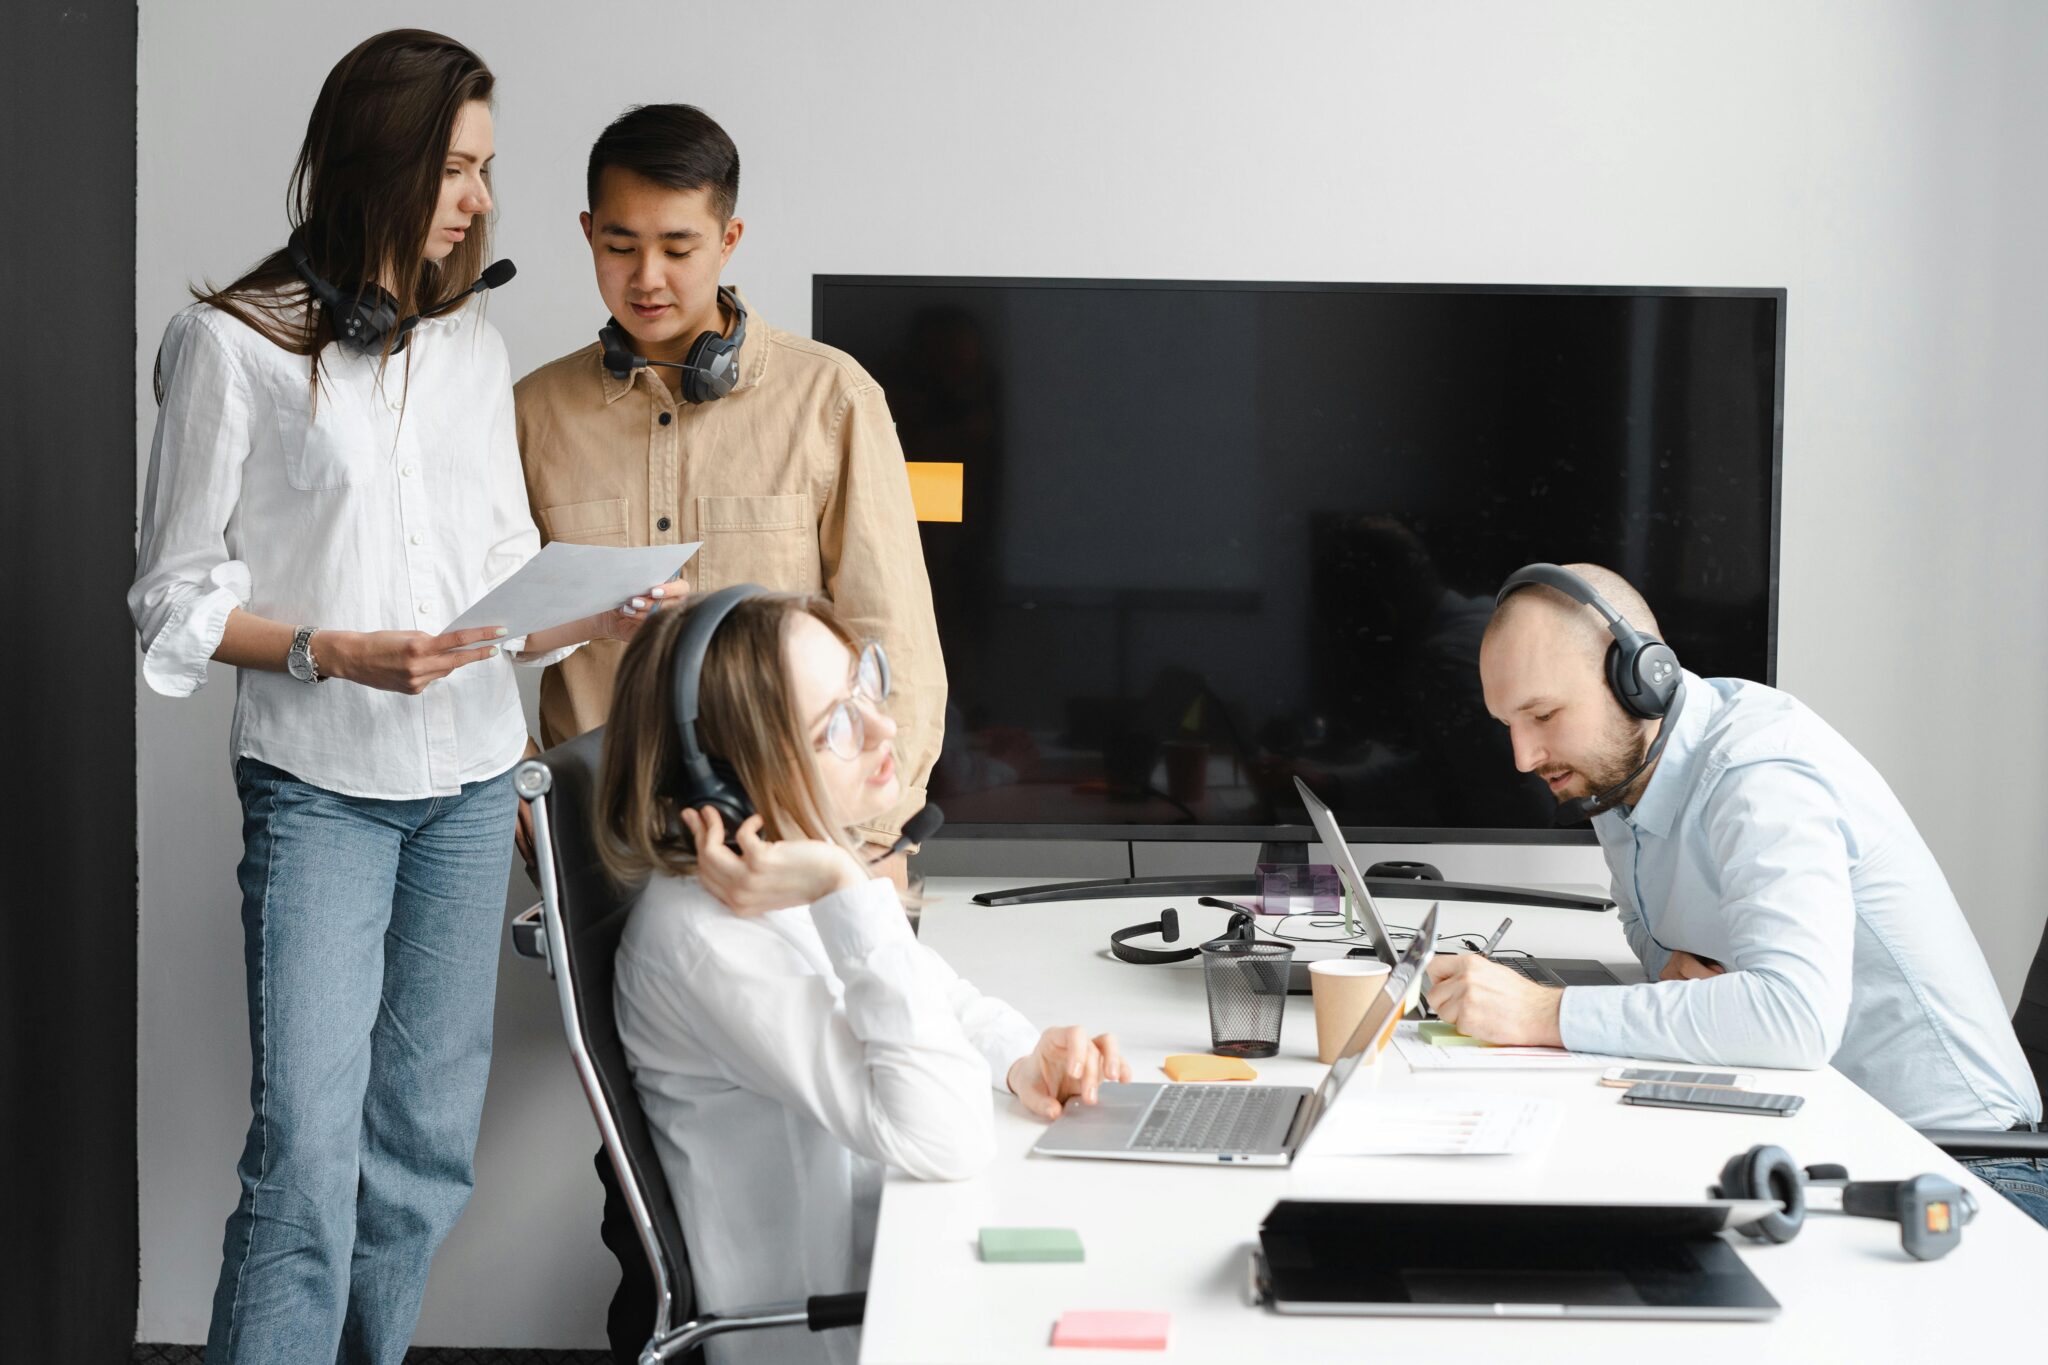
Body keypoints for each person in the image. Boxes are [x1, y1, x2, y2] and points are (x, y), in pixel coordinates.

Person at [129, 31, 655, 1362]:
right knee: (305, 1158)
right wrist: (330, 651)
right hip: (322, 791)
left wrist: (575, 607)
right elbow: (172, 596)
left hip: (473, 789)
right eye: (457, 168)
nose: (479, 199)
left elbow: (487, 567)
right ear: (383, 161)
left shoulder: (469, 346)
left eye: (486, 169)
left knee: (421, 1158)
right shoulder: (229, 346)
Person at [1424, 561, 2047, 1226]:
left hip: (1964, 1169)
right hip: (1842, 1139)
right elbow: (1645, 924)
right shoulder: (1616, 777)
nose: (1524, 756)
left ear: (1637, 679)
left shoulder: (1757, 772)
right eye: (1508, 724)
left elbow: (1796, 1019)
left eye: (1544, 714)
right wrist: (1675, 973)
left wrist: (1544, 1014)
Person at [600, 590, 1126, 1365]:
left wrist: (1022, 1057)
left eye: (865, 682)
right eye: (836, 725)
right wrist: (846, 886)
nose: (882, 725)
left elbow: (936, 995)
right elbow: (944, 1136)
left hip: (900, 1271)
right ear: (729, 781)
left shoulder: (780, 872)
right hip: (843, 1333)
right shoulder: (706, 941)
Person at [514, 103, 944, 878]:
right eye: (620, 245)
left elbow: (892, 631)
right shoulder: (530, 413)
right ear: (587, 233)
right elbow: (482, 623)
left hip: (808, 845)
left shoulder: (834, 397)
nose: (647, 278)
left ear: (729, 239)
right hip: (613, 851)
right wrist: (511, 774)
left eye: (679, 247)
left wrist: (873, 838)